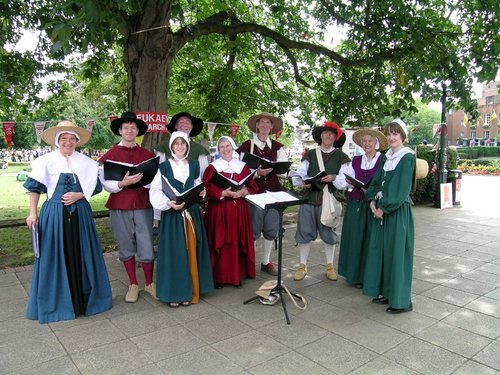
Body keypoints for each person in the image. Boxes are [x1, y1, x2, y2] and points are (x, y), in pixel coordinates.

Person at [24, 121, 112, 324]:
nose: (68, 142)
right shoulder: (45, 161)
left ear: (77, 141)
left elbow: (95, 188)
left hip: (80, 213)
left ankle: (85, 300)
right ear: (57, 141)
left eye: (72, 139)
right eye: (64, 138)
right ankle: (59, 304)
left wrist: (79, 195)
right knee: (55, 255)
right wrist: (32, 213)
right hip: (54, 215)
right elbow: (34, 188)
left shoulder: (86, 163)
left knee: (82, 253)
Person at [149, 131, 214, 307]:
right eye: (176, 144)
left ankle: (191, 291)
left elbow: (197, 184)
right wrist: (168, 203)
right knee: (175, 254)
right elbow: (155, 190)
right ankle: (174, 293)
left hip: (191, 214)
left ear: (187, 146)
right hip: (172, 216)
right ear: (171, 147)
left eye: (182, 143)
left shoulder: (193, 165)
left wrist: (201, 192)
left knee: (191, 250)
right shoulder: (163, 167)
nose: (179, 146)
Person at [98, 112, 157, 303]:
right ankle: (133, 284)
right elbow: (105, 183)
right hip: (120, 204)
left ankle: (149, 283)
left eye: (133, 127)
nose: (129, 131)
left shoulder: (147, 155)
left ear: (138, 131)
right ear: (120, 131)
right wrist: (123, 183)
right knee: (125, 243)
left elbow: (155, 181)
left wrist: (144, 180)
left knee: (146, 242)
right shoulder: (110, 155)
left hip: (142, 203)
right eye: (126, 128)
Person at [363, 119, 415, 314]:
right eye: (390, 133)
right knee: (384, 253)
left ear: (403, 136)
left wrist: (383, 208)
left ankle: (402, 301)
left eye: (396, 133)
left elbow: (400, 190)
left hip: (397, 213)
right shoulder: (386, 158)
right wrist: (371, 201)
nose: (392, 137)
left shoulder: (407, 157)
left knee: (397, 255)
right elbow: (376, 182)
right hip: (381, 211)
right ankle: (387, 292)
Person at [291, 121, 350, 281]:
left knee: (328, 233)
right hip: (309, 199)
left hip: (329, 200)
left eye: (331, 133)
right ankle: (302, 266)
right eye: (325, 132)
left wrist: (334, 178)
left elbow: (346, 180)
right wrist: (303, 180)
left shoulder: (342, 157)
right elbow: (301, 173)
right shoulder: (310, 154)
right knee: (304, 233)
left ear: (335, 137)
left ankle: (330, 265)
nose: (328, 135)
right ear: (320, 136)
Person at [202, 136, 259, 288]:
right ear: (218, 150)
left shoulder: (242, 166)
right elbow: (206, 186)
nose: (225, 149)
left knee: (237, 241)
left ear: (233, 148)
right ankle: (218, 277)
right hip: (219, 210)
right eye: (222, 147)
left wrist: (243, 192)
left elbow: (253, 186)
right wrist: (223, 192)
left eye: (228, 146)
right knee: (219, 242)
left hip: (239, 210)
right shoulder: (212, 167)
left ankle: (237, 275)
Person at [236, 112, 287, 276]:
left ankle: (265, 261)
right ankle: (249, 263)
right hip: (254, 193)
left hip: (273, 193)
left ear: (272, 127)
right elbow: (239, 172)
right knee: (253, 228)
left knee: (271, 228)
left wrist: (276, 169)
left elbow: (284, 172)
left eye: (268, 123)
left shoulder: (278, 147)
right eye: (262, 122)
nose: (265, 125)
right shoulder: (246, 146)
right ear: (257, 125)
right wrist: (257, 173)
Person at [336, 127, 388, 288]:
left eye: (370, 141)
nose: (366, 144)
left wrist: (371, 190)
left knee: (370, 240)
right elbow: (341, 180)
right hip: (356, 203)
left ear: (376, 143)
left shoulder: (383, 160)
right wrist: (348, 182)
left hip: (373, 205)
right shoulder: (356, 160)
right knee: (355, 238)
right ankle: (354, 274)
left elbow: (385, 181)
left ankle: (368, 276)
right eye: (364, 141)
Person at [154, 112, 210, 177]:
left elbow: (203, 173)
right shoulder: (164, 146)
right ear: (176, 126)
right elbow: (159, 171)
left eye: (187, 122)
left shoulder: (199, 149)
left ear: (191, 127)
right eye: (181, 122)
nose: (184, 124)